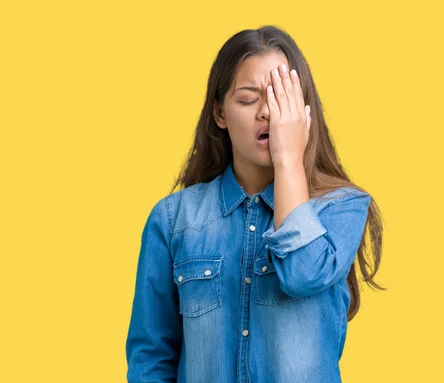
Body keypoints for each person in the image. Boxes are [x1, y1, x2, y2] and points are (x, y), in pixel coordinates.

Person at [125, 25, 386, 383]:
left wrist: (289, 161)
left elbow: (302, 275)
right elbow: (151, 358)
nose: (268, 112)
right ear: (219, 113)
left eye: (281, 99)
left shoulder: (342, 208)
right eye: (249, 99)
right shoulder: (172, 220)